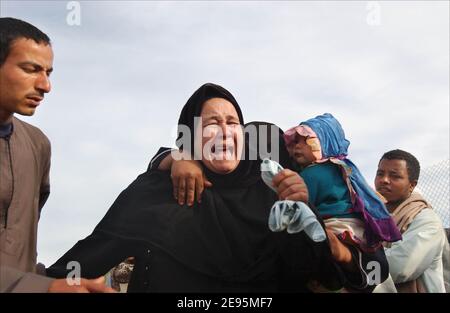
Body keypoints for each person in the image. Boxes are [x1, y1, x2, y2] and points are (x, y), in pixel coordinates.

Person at [47, 83, 388, 292]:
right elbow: (88, 257)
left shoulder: (274, 190)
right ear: (191, 137)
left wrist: (310, 224)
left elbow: (337, 272)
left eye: (233, 123)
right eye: (212, 123)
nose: (225, 131)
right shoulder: (157, 191)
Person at [0, 17, 114, 293]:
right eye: (31, 69)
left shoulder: (37, 145)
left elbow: (22, 250)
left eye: (48, 72)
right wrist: (42, 288)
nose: (45, 85)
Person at [282, 113, 402, 252]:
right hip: (358, 229)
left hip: (334, 228)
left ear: (325, 142)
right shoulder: (346, 169)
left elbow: (300, 207)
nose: (298, 146)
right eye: (296, 141)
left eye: (306, 140)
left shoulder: (310, 173)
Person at [375, 149, 450, 293]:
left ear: (412, 185)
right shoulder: (371, 216)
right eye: (380, 173)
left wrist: (351, 258)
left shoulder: (427, 221)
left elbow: (400, 267)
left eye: (394, 176)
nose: (383, 180)